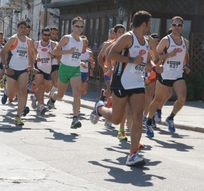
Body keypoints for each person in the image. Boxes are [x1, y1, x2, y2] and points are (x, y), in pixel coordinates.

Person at [90, 11, 158, 167]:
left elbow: (146, 63)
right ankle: (100, 109)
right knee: (116, 119)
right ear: (144, 24)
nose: (150, 26)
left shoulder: (146, 42)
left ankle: (133, 153)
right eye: (150, 23)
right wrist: (131, 60)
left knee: (138, 117)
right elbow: (111, 53)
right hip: (121, 82)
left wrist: (155, 68)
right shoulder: (128, 37)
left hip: (137, 83)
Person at [145, 16, 190, 137]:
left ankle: (170, 117)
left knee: (182, 98)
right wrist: (169, 55)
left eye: (179, 25)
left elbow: (186, 55)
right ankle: (149, 121)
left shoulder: (185, 42)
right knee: (157, 100)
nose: (176, 27)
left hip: (178, 74)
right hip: (165, 73)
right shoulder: (166, 40)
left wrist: (186, 65)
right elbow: (155, 56)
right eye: (174, 25)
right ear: (171, 26)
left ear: (182, 27)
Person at [46, 17, 85, 129]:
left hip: (75, 69)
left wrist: (81, 63)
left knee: (77, 92)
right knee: (60, 95)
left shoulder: (81, 41)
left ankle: (75, 119)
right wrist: (67, 51)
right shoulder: (67, 38)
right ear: (72, 27)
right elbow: (55, 51)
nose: (79, 29)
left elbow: (76, 56)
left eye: (81, 26)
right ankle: (52, 99)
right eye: (77, 26)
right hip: (64, 68)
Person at [0, 20, 35, 125]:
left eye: (25, 28)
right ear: (17, 28)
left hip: (23, 69)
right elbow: (3, 52)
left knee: (23, 91)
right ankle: (6, 91)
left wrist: (32, 68)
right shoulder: (13, 39)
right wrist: (6, 67)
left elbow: (30, 55)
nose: (23, 30)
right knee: (11, 95)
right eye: (21, 28)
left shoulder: (29, 41)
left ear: (27, 29)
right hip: (12, 68)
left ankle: (18, 116)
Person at [32, 27, 57, 115]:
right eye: (45, 35)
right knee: (41, 86)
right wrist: (35, 58)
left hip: (47, 69)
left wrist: (53, 55)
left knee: (47, 89)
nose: (47, 37)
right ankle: (41, 105)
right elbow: (31, 54)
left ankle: (35, 97)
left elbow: (59, 56)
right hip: (38, 68)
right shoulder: (36, 44)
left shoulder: (53, 44)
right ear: (41, 35)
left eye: (48, 35)